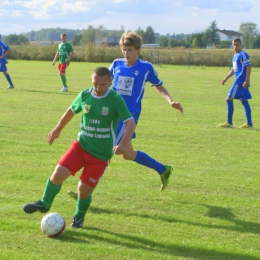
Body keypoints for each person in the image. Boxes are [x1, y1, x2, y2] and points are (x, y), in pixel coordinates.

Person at [68, 31, 183, 204]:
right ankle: (163, 169)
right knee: (128, 154)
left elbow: (159, 87)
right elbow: (105, 83)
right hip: (112, 114)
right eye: (123, 49)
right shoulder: (116, 64)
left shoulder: (146, 68)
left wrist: (171, 101)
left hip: (128, 116)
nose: (126, 53)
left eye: (129, 50)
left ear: (137, 50)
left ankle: (84, 193)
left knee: (105, 150)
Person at [23, 67, 136, 228]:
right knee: (57, 174)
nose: (98, 88)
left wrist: (123, 144)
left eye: (103, 84)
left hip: (100, 155)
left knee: (83, 190)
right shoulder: (85, 95)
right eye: (95, 83)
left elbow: (130, 122)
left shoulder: (115, 99)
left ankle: (78, 218)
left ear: (110, 82)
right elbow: (70, 111)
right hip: (80, 146)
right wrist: (57, 130)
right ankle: (44, 203)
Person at [218, 38, 253, 128]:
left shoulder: (243, 54)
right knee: (244, 101)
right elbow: (234, 70)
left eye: (237, 44)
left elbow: (248, 67)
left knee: (229, 98)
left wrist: (246, 80)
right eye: (234, 44)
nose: (235, 46)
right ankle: (249, 124)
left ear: (241, 44)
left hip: (240, 80)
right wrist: (226, 78)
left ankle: (229, 122)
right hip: (240, 80)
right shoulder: (235, 56)